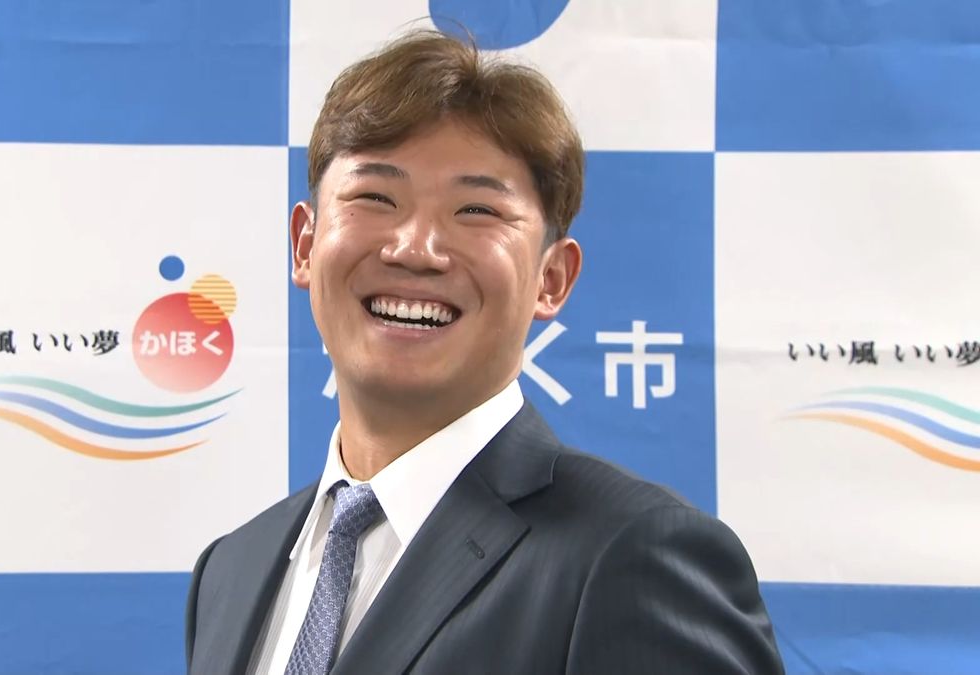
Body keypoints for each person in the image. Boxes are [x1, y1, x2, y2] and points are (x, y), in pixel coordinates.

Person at [186, 30, 784, 675]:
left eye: (475, 210)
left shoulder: (634, 556)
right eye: (375, 198)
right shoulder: (232, 569)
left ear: (551, 278)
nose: (415, 249)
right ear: (305, 245)